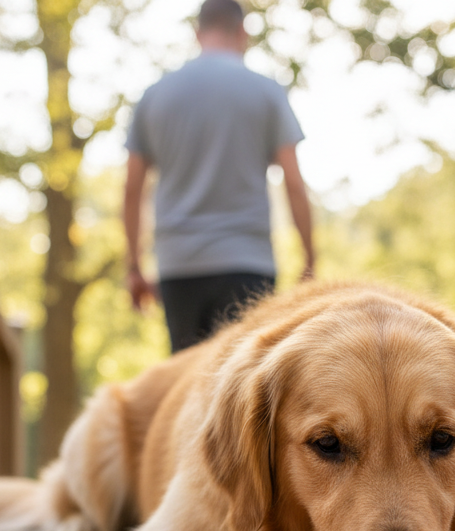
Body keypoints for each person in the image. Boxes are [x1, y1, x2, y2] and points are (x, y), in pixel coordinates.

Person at [123, 0, 315, 353]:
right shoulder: (266, 91)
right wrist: (309, 259)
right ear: (243, 32)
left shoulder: (155, 95)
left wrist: (134, 266)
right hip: (248, 263)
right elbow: (293, 183)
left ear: (198, 33)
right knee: (241, 383)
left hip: (179, 264)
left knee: (188, 386)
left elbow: (132, 189)